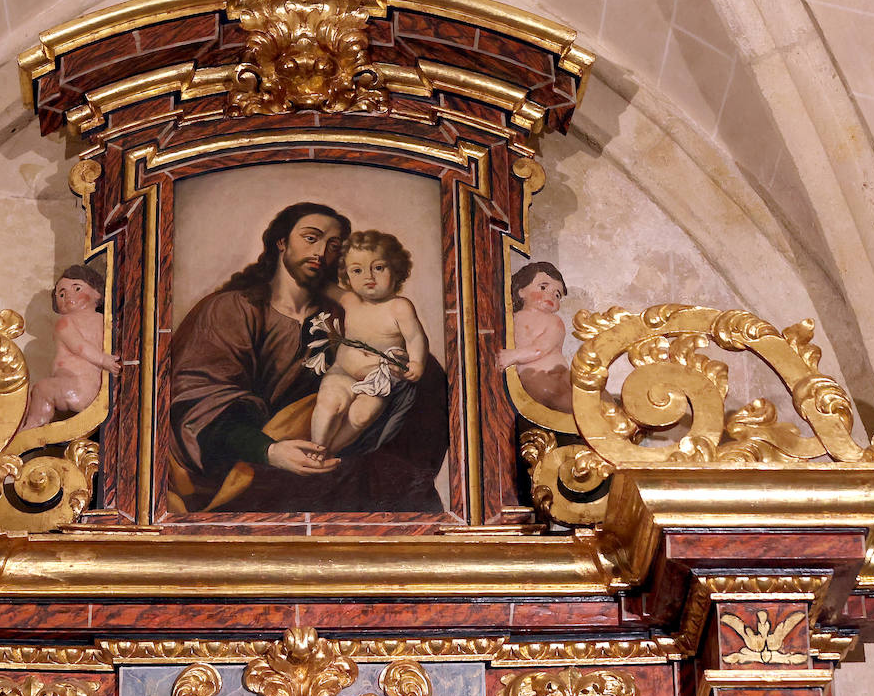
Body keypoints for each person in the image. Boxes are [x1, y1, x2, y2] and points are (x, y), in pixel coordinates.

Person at [167, 202, 448, 513]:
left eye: (333, 245)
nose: (320, 252)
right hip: (241, 464)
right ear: (282, 242)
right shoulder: (231, 309)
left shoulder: (345, 313)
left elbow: (419, 382)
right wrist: (270, 450)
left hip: (336, 461)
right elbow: (198, 404)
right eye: (311, 238)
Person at [309, 231, 429, 456]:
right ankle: (317, 446)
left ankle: (330, 452)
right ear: (347, 276)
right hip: (342, 372)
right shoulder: (351, 300)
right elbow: (320, 285)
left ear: (396, 268)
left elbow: (415, 337)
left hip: (378, 381)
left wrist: (417, 363)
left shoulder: (399, 307)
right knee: (329, 403)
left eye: (379, 267)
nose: (369, 276)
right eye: (357, 270)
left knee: (361, 416)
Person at [21, 265, 120, 429]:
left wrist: (104, 360)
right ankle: (24, 426)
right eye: (61, 293)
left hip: (77, 388)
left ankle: (34, 426)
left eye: (77, 288)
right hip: (89, 388)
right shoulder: (103, 320)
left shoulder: (65, 322)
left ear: (97, 293)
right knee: (30, 395)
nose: (68, 295)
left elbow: (78, 346)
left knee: (41, 389)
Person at [496, 261, 572, 412]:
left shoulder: (553, 321)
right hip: (533, 376)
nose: (551, 295)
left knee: (574, 395)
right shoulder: (512, 318)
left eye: (557, 294)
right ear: (521, 291)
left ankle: (588, 417)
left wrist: (513, 356)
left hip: (556, 373)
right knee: (548, 393)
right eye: (543, 287)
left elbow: (542, 347)